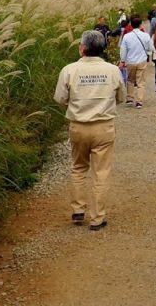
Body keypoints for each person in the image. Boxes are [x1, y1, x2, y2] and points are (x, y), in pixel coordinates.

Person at [53, 30, 126, 231]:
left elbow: (59, 98)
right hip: (104, 127)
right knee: (101, 172)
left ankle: (78, 210)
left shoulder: (69, 70)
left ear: (82, 48)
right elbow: (121, 97)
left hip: (78, 126)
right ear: (102, 49)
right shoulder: (112, 70)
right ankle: (97, 218)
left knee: (78, 168)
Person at [118, 14, 152, 108]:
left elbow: (123, 50)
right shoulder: (146, 36)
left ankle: (129, 98)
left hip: (130, 61)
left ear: (131, 25)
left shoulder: (127, 37)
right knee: (141, 82)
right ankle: (139, 101)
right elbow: (150, 48)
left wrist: (123, 60)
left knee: (130, 80)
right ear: (141, 24)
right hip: (142, 60)